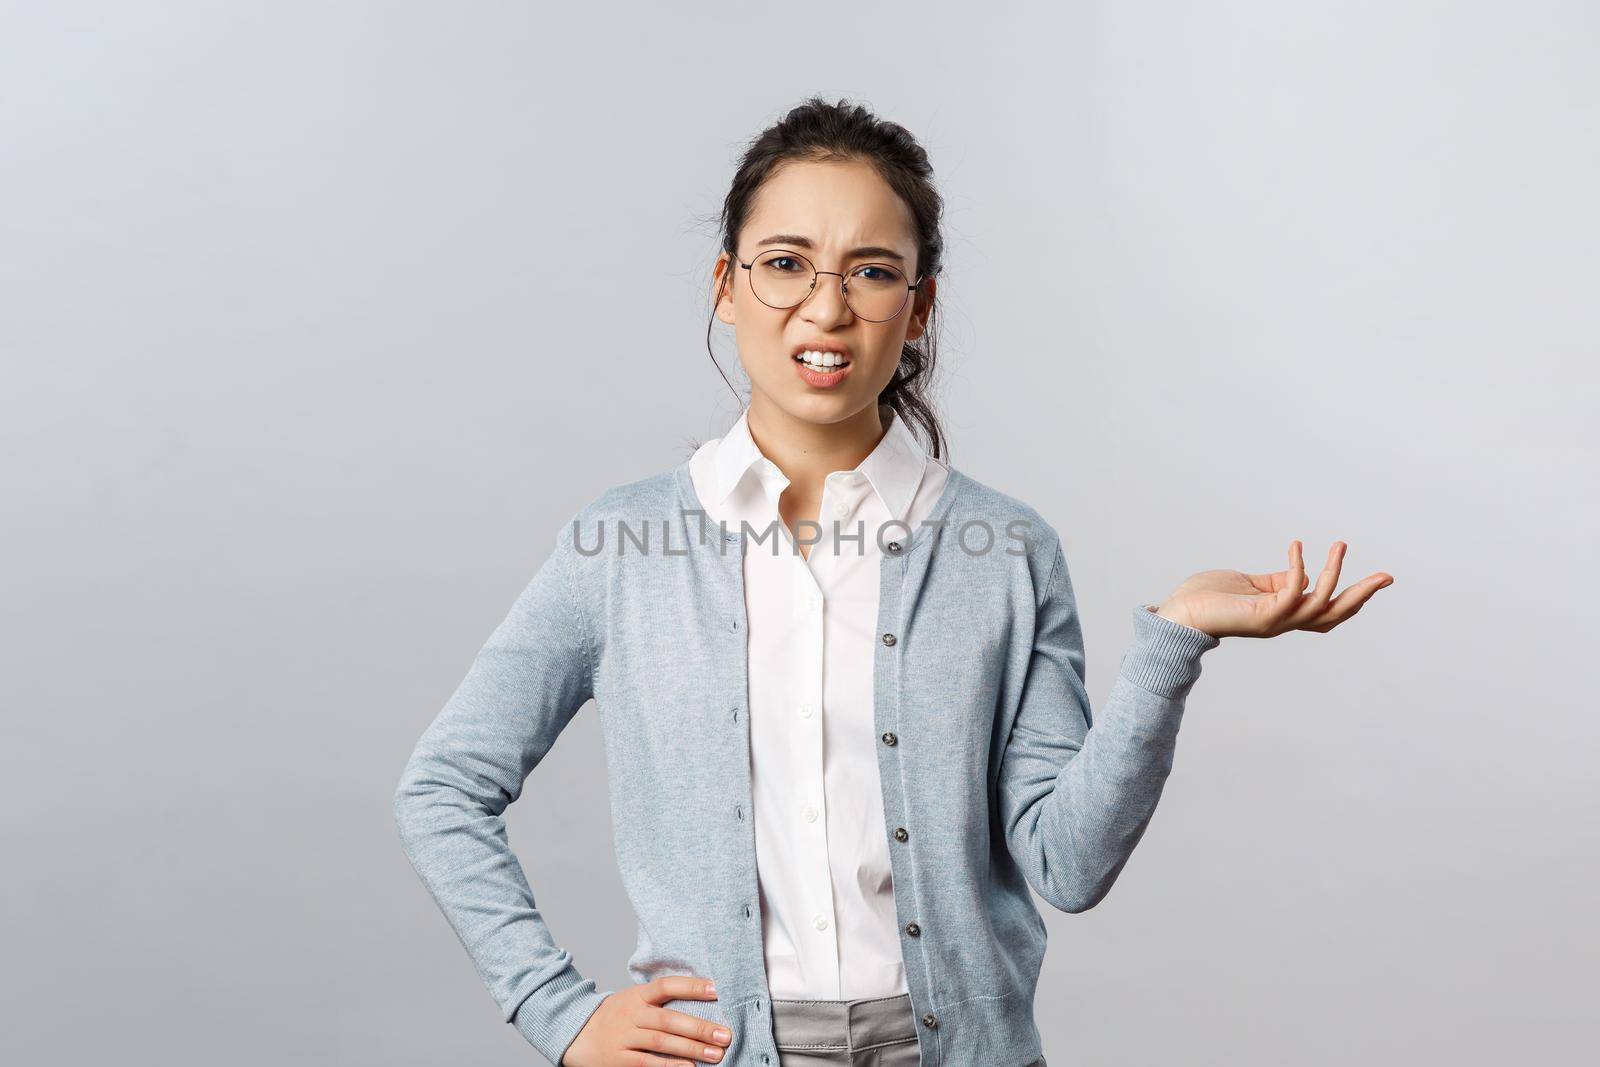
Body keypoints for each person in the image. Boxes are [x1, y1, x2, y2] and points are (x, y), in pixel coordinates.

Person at [393, 96, 1393, 1067]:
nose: (824, 308)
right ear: (724, 284)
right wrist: (556, 1009)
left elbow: (1067, 862)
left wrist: (1172, 640)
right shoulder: (621, 545)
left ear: (917, 306)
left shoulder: (1003, 548)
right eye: (783, 264)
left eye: (871, 272)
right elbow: (442, 786)